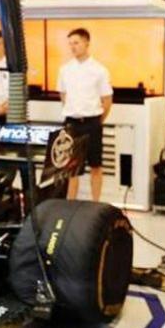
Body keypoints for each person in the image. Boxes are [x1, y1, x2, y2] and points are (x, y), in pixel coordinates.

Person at [57, 27, 113, 202]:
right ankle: (70, 203)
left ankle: (96, 203)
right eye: (70, 44)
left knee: (96, 165)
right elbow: (63, 95)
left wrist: (96, 121)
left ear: (86, 43)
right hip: (71, 123)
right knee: (72, 167)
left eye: (76, 43)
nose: (73, 47)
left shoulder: (99, 70)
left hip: (92, 122)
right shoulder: (65, 69)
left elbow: (107, 100)